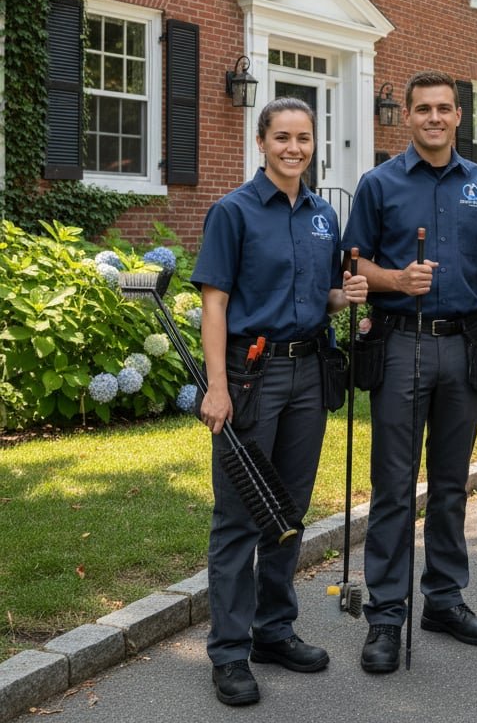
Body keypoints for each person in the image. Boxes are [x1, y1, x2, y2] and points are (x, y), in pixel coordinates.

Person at [191, 96, 367, 707]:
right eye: (283, 137)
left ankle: (273, 630)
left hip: (309, 374)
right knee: (240, 517)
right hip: (250, 377)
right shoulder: (232, 212)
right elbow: (215, 302)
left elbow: (322, 295)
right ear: (261, 142)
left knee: (288, 512)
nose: (294, 148)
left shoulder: (323, 215)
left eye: (304, 138)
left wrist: (344, 298)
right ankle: (230, 653)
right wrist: (216, 384)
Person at [341, 69, 477, 674]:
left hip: (464, 347)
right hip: (398, 346)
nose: (434, 118)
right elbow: (353, 270)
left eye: (445, 108)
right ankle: (386, 615)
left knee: (449, 484)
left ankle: (443, 598)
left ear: (459, 116)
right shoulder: (378, 184)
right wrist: (395, 280)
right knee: (393, 488)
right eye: (423, 109)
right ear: (408, 116)